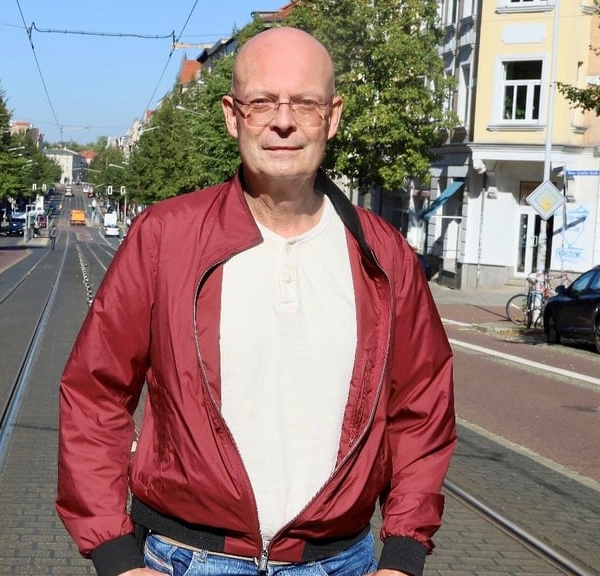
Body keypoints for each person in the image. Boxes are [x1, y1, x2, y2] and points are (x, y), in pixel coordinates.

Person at [57, 27, 456, 576]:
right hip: (186, 559)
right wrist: (114, 556)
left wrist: (405, 554)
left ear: (333, 117)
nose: (283, 121)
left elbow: (421, 409)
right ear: (232, 115)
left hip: (340, 562)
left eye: (305, 103)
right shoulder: (164, 237)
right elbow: (95, 392)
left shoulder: (384, 256)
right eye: (262, 102)